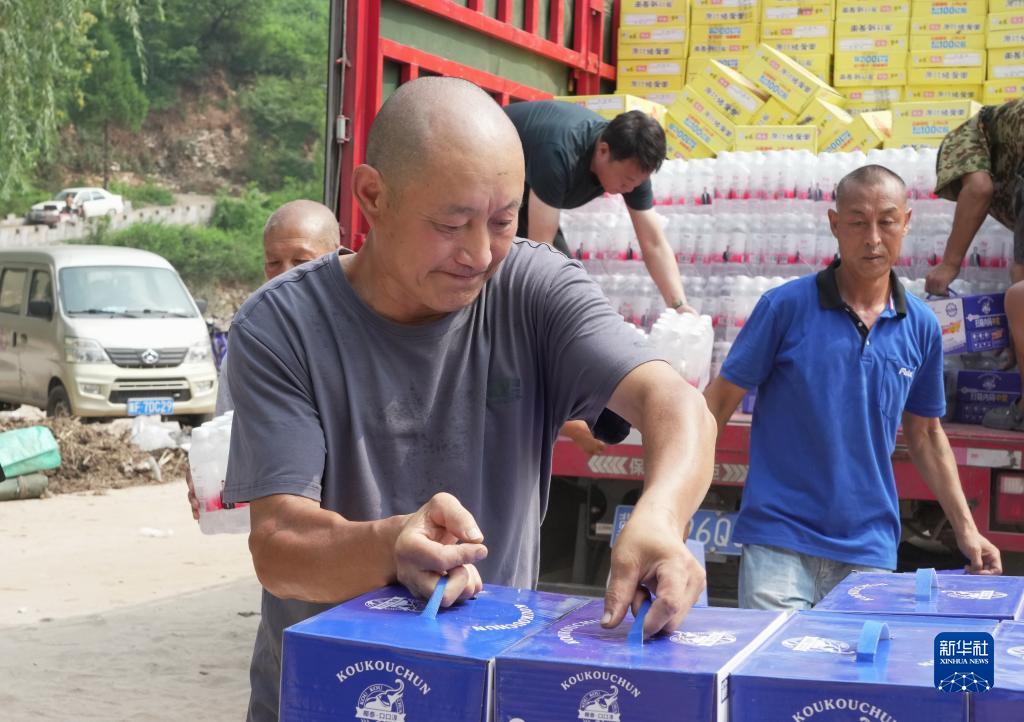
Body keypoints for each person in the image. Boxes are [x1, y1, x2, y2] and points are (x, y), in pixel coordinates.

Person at [222, 77, 716, 721]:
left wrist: (661, 518)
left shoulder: (533, 289)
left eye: (503, 221)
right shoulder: (282, 326)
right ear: (372, 197)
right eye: (451, 224)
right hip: (327, 697)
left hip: (487, 694)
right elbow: (280, 546)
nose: (480, 254)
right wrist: (391, 546)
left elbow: (676, 404)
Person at [703, 165, 1002, 611]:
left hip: (868, 550)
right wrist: (671, 509)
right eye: (858, 222)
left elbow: (926, 435)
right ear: (834, 224)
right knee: (775, 660)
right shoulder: (784, 308)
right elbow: (714, 408)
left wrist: (966, 529)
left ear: (907, 222)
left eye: (887, 221)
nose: (873, 238)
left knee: (853, 662)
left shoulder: (921, 326)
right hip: (779, 542)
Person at [186, 199, 345, 520]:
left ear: (337, 257)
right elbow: (228, 437)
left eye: (302, 261)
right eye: (273, 262)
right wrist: (205, 468)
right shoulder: (251, 342)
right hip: (291, 531)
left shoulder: (366, 332)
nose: (285, 276)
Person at [924, 98, 1024, 431]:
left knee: (1019, 294)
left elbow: (979, 188)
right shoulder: (1007, 130)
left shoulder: (965, 135)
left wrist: (949, 264)